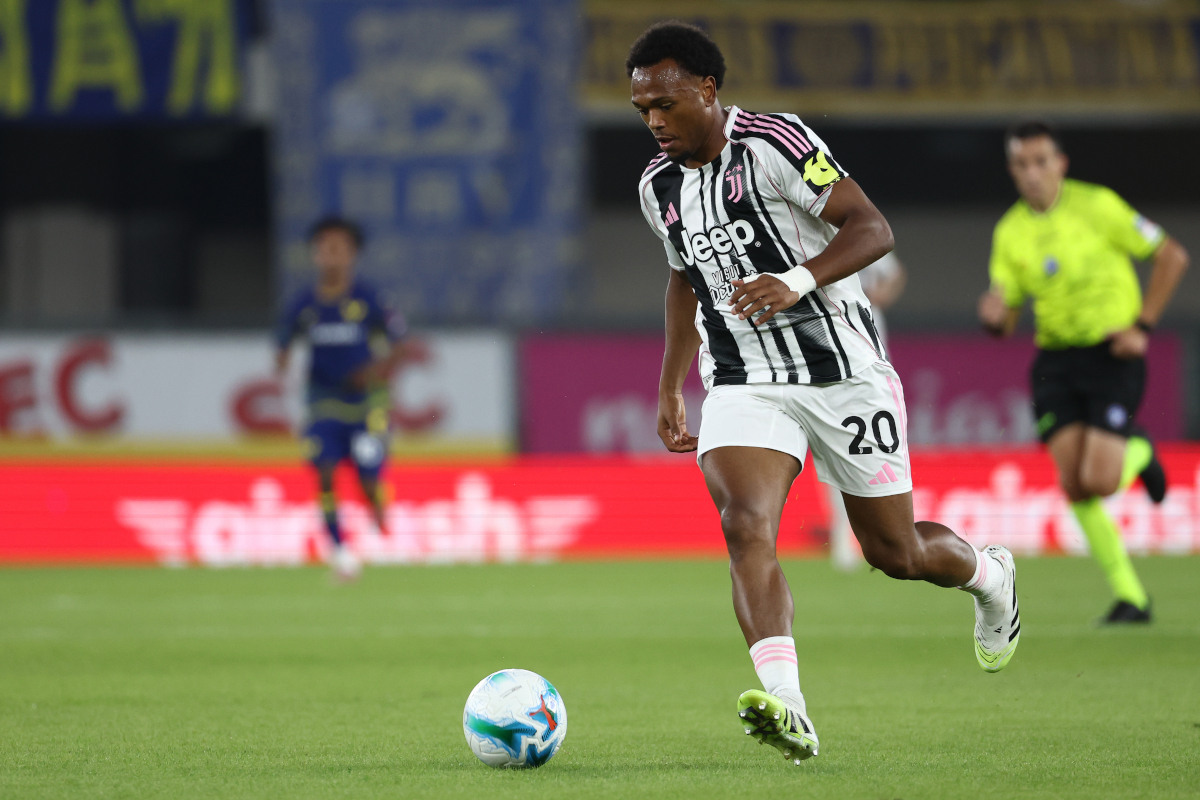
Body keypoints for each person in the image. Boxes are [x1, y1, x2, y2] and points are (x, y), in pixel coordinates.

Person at [630, 22, 1020, 767]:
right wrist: (670, 384)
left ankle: (988, 574)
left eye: (667, 103)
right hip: (744, 378)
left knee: (895, 551)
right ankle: (791, 706)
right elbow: (684, 280)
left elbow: (872, 228)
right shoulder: (659, 187)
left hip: (843, 372)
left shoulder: (777, 142)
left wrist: (797, 280)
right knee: (745, 523)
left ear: (707, 90)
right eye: (642, 107)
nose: (654, 121)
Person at [978, 122, 1189, 624]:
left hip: (1111, 353)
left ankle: (1142, 451)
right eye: (1022, 165)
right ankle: (1131, 598)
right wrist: (995, 316)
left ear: (1060, 164)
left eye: (1041, 162)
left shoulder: (1098, 206)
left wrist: (1144, 325)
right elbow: (1005, 319)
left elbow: (1172, 256)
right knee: (1075, 486)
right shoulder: (1010, 231)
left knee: (1098, 478)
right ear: (1012, 171)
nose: (1032, 173)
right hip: (1056, 361)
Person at [275, 217, 408, 581]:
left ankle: (376, 501)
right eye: (324, 248)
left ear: (352, 254)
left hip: (365, 405)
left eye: (339, 248)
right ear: (316, 255)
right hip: (322, 402)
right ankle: (341, 553)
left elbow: (400, 345)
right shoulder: (304, 303)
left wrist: (375, 371)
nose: (331, 256)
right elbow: (283, 342)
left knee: (367, 480)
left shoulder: (368, 298)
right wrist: (283, 361)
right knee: (325, 473)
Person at [828, 251, 907, 571]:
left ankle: (888, 535)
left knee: (875, 451)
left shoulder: (851, 224)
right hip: (826, 358)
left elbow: (895, 272)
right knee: (832, 452)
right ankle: (843, 539)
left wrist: (880, 296)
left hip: (868, 358)